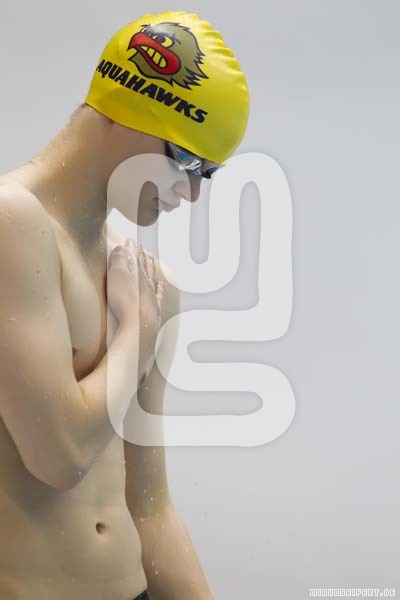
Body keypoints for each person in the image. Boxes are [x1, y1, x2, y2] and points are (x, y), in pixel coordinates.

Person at [0, 10, 249, 599]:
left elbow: (151, 509)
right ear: (130, 113)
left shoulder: (148, 283)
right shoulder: (12, 222)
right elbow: (58, 455)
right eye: (187, 161)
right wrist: (136, 332)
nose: (191, 192)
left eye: (209, 175)